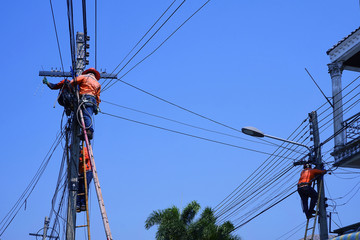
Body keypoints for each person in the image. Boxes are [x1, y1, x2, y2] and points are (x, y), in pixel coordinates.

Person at [43, 68, 101, 139]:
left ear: (87, 73)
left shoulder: (84, 77)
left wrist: (72, 90)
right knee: (87, 115)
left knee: (85, 116)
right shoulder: (98, 83)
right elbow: (98, 97)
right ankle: (85, 132)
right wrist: (97, 106)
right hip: (92, 101)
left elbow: (71, 82)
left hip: (84, 98)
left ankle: (88, 132)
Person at [77, 145, 93, 212]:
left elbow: (85, 157)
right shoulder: (75, 154)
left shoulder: (85, 149)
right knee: (78, 188)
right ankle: (78, 204)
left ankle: (83, 203)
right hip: (80, 173)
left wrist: (79, 157)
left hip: (87, 171)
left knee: (84, 187)